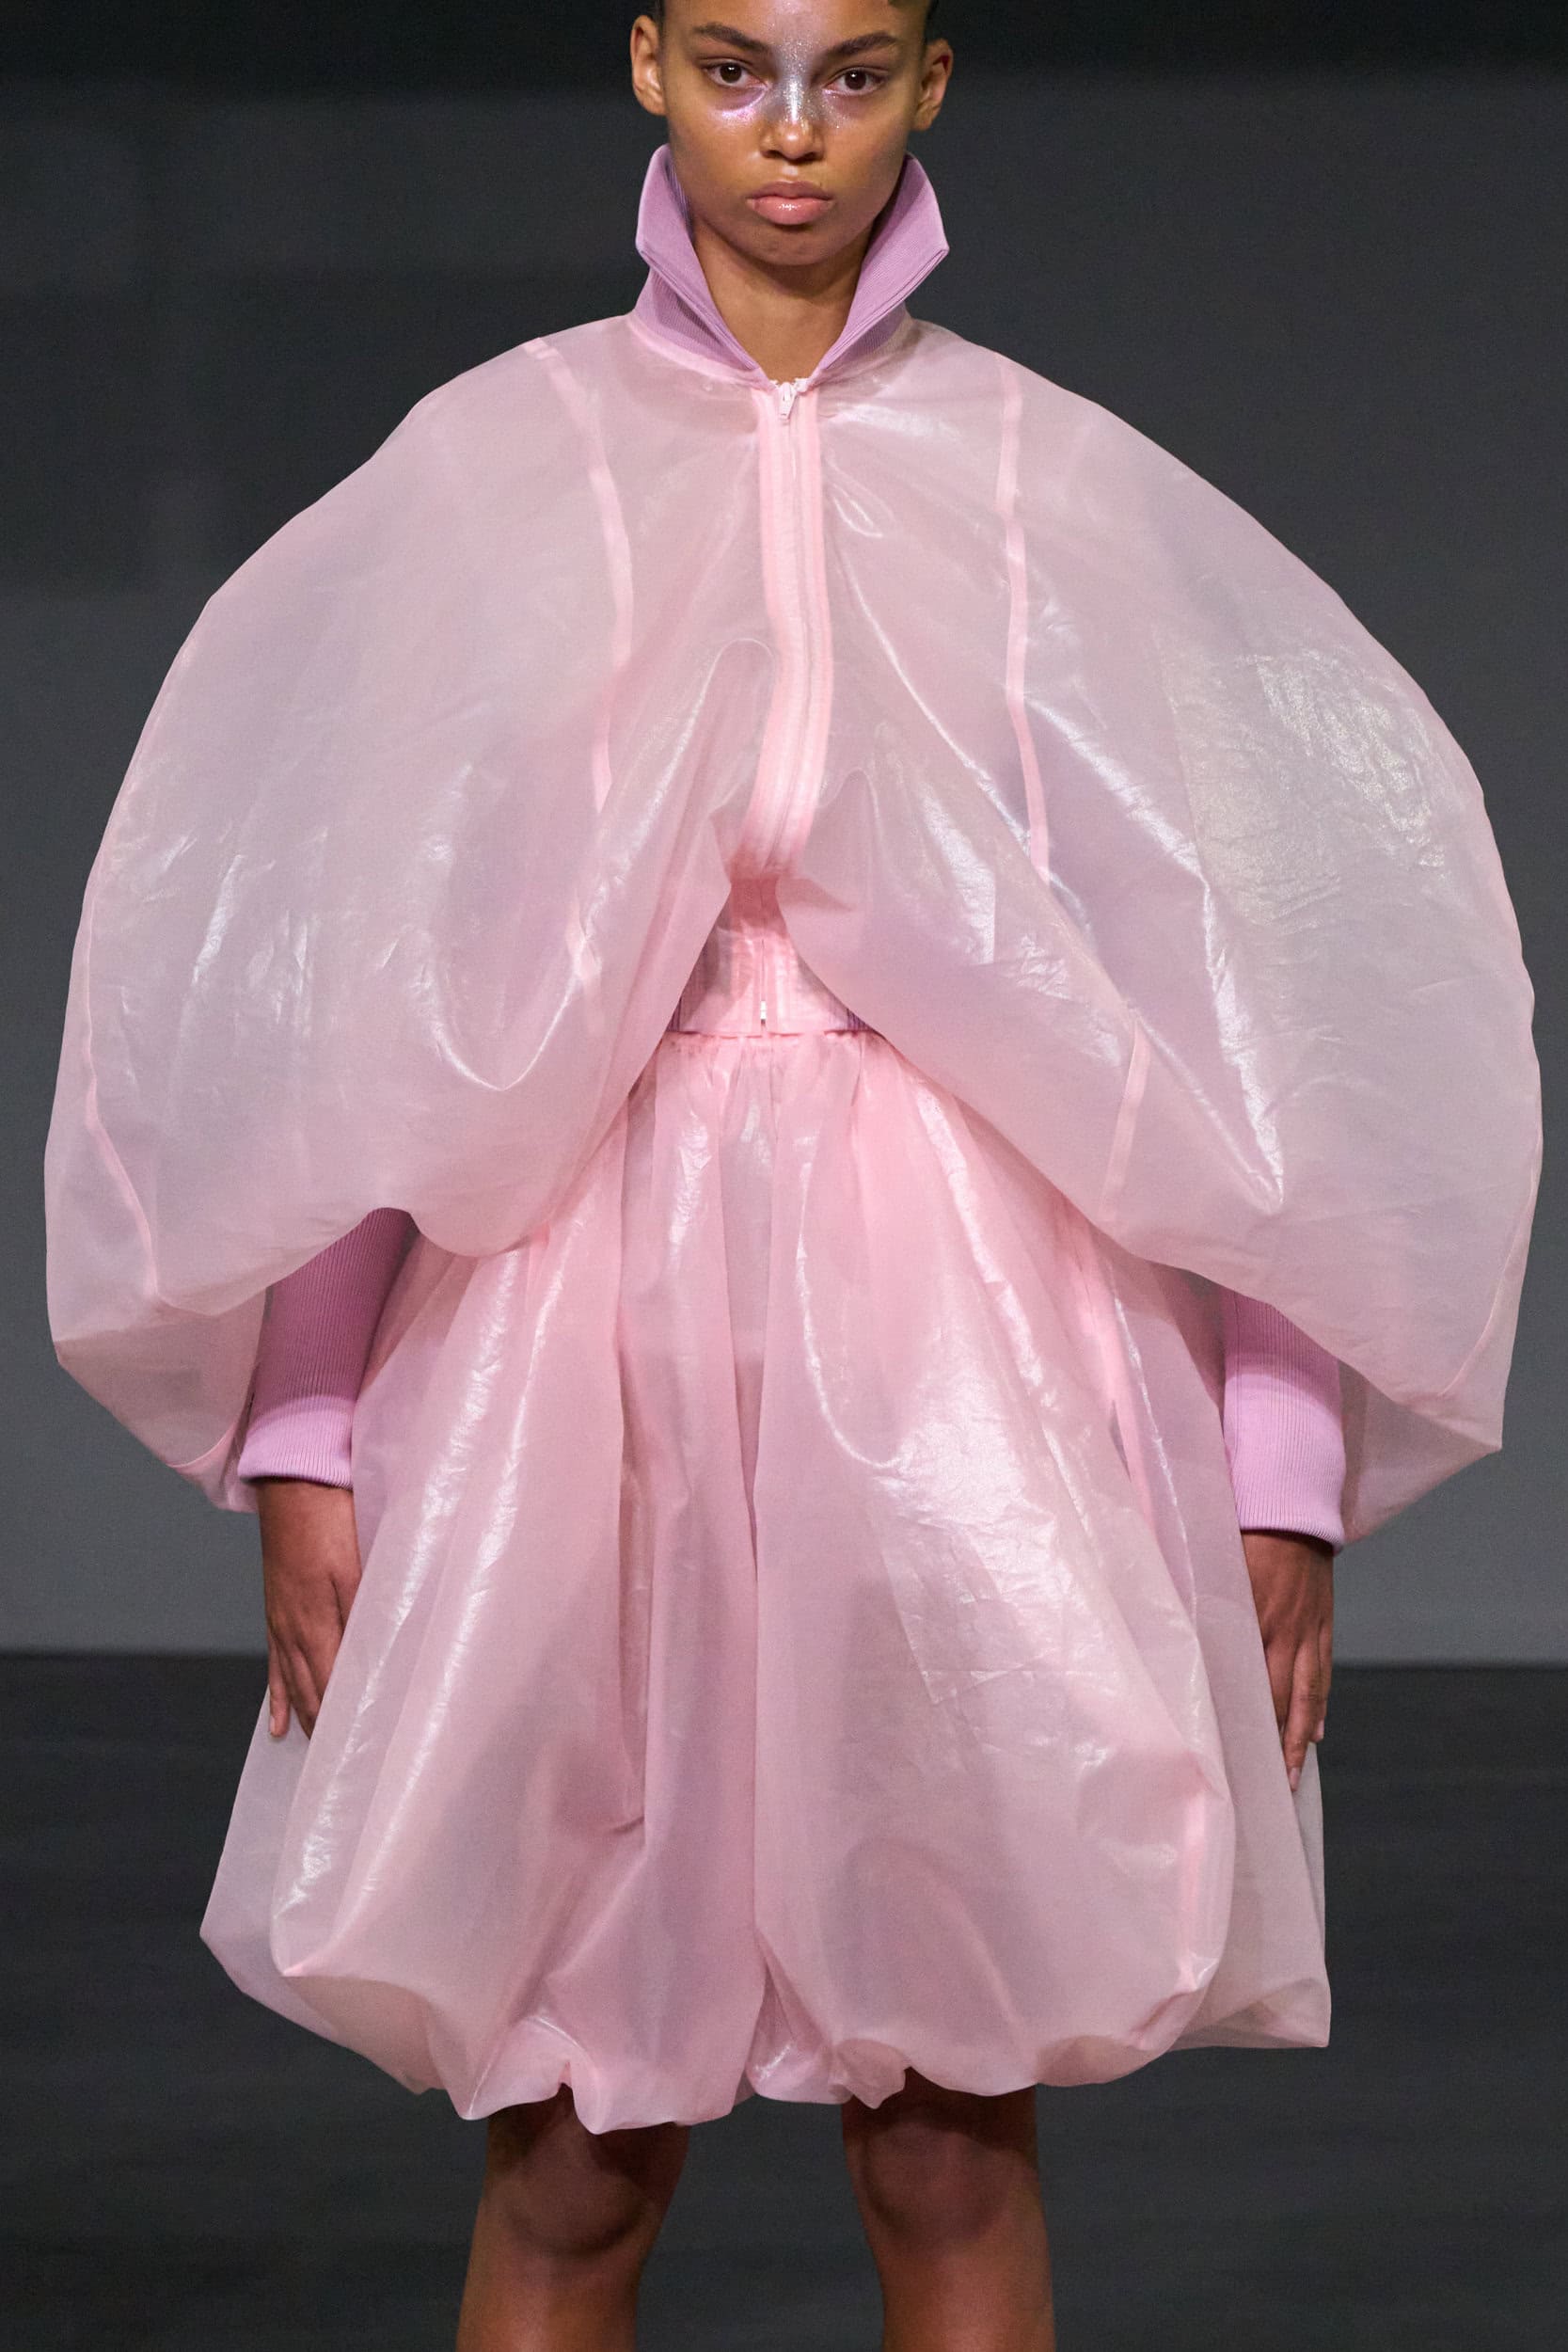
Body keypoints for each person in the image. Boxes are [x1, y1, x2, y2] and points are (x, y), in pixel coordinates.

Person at [42, 4, 1540, 2347]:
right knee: (572, 2138)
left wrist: (1282, 1439)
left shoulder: (1032, 482)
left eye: (852, 74)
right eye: (739, 67)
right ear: (645, 62)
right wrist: (308, 1417)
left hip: (958, 1328)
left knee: (949, 2128)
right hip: (570, 1310)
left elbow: (1228, 961)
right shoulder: (507, 468)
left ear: (935, 80)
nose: (793, 133)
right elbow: (373, 960)